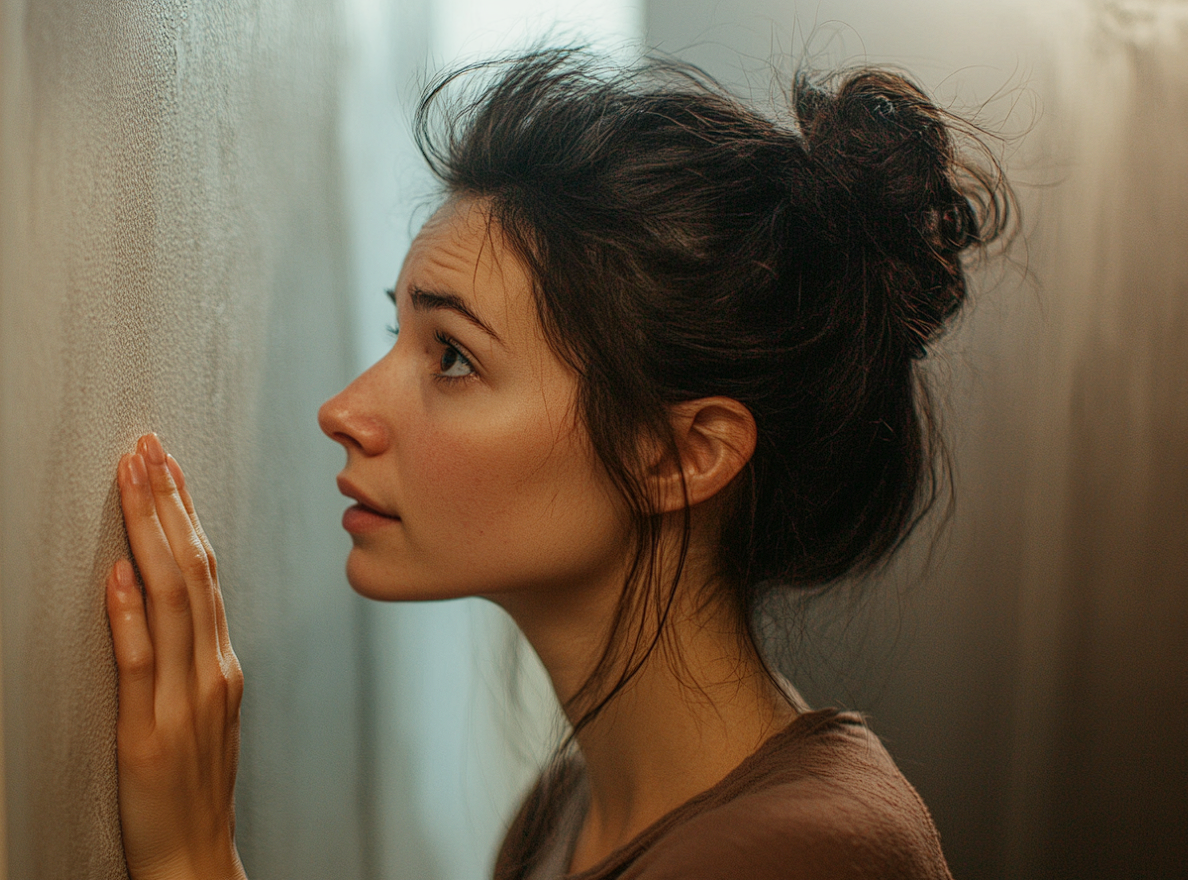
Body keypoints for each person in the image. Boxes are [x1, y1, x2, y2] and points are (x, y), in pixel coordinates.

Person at [105, 48, 1009, 880]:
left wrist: (192, 860)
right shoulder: (556, 819)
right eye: (399, 331)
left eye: (452, 356)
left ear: (683, 452)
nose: (344, 412)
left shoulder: (804, 858)